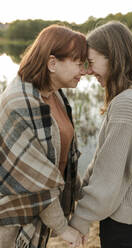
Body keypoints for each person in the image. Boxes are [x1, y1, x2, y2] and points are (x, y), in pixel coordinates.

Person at [70, 21, 132, 248]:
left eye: (91, 63)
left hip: (123, 216)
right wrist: (81, 192)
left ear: (113, 56)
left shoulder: (127, 104)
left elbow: (108, 176)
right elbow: (103, 158)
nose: (88, 71)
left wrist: (80, 218)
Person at [0, 24, 87, 248]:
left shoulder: (54, 95)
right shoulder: (19, 103)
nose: (84, 71)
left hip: (45, 208)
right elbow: (35, 180)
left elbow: (64, 157)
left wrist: (82, 195)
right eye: (78, 63)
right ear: (52, 63)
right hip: (14, 215)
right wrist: (62, 228)